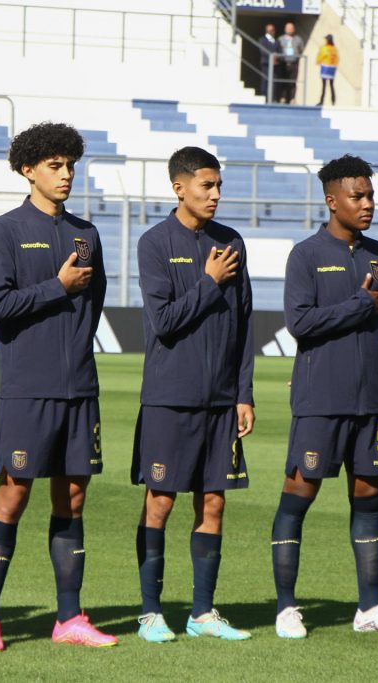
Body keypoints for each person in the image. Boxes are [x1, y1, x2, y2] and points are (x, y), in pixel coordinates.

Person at [0, 122, 114, 652]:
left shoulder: (88, 234)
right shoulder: (5, 229)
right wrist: (57, 287)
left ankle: (69, 617)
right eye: (54, 166)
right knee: (12, 497)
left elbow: (92, 306)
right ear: (27, 170)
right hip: (26, 391)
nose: (65, 174)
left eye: (70, 165)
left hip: (80, 388)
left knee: (73, 502)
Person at [270, 154, 378, 638]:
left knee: (369, 498)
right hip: (321, 401)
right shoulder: (306, 254)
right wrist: (356, 304)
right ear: (331, 200)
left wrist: (364, 318)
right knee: (298, 498)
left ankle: (370, 608)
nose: (367, 203)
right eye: (357, 196)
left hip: (372, 402)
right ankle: (287, 607)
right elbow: (300, 323)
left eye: (370, 194)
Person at [132, 146, 255, 643]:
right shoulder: (154, 243)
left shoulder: (232, 242)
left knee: (214, 504)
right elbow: (164, 322)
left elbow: (245, 324)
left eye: (219, 185)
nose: (216, 195)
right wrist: (208, 282)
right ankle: (149, 612)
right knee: (159, 501)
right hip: (169, 397)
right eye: (207, 186)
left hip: (221, 401)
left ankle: (202, 613)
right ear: (179, 187)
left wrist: (243, 392)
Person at [277, 22, 304, 104]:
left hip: (294, 63)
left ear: (294, 29)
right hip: (283, 63)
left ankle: (292, 98)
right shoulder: (280, 39)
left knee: (293, 82)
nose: (289, 30)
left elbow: (301, 50)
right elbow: (277, 49)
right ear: (285, 29)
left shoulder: (298, 39)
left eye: (291, 28)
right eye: (288, 28)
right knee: (283, 81)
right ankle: (283, 97)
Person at [258, 23, 281, 99]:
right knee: (265, 80)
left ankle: (273, 97)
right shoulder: (262, 40)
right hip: (266, 64)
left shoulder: (276, 41)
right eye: (269, 30)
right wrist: (271, 58)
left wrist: (277, 58)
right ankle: (264, 96)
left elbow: (279, 51)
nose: (271, 32)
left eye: (272, 30)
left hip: (275, 65)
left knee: (274, 81)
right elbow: (263, 51)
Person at [315, 34, 338, 106]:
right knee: (331, 85)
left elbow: (320, 57)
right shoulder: (334, 49)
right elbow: (337, 58)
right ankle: (333, 101)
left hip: (325, 68)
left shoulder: (324, 48)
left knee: (324, 85)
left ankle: (321, 101)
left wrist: (318, 61)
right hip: (332, 68)